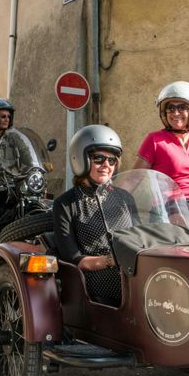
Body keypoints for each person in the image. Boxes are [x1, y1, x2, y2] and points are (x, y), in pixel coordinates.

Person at [53, 125, 136, 307]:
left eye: (112, 160)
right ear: (80, 159)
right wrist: (110, 261)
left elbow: (140, 239)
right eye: (98, 158)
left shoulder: (125, 198)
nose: (106, 165)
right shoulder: (66, 204)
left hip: (131, 271)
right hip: (96, 278)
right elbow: (74, 260)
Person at [133, 81, 189, 213]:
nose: (175, 113)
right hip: (170, 205)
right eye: (170, 108)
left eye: (182, 107)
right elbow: (134, 177)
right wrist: (112, 198)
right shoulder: (154, 140)